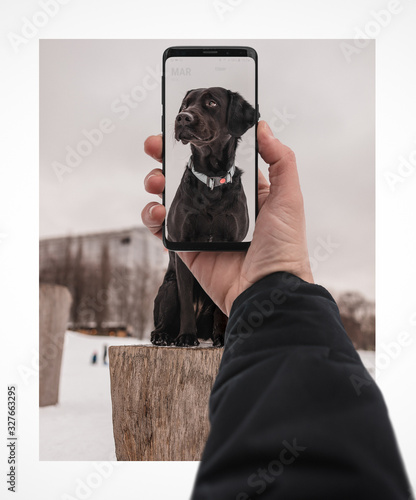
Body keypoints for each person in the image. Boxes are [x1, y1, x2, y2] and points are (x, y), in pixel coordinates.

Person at [142, 121, 412, 499]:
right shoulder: (187, 188)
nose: (187, 113)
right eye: (185, 105)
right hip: (225, 304)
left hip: (240, 305)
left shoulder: (238, 191)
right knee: (175, 276)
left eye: (209, 105)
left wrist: (265, 287)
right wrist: (275, 295)